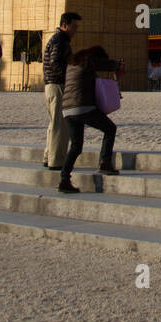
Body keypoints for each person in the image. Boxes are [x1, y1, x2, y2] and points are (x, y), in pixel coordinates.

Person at [57, 44, 123, 193]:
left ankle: (64, 178)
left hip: (67, 110)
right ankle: (105, 162)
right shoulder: (89, 60)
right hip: (83, 107)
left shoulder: (73, 62)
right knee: (110, 129)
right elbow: (105, 65)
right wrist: (118, 64)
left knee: (76, 146)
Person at [42, 12, 80, 170]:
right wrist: (69, 76)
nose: (75, 30)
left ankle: (48, 155)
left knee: (54, 123)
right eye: (74, 26)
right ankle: (56, 160)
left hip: (51, 85)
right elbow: (55, 61)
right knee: (60, 125)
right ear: (65, 25)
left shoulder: (58, 39)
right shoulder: (60, 40)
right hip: (57, 85)